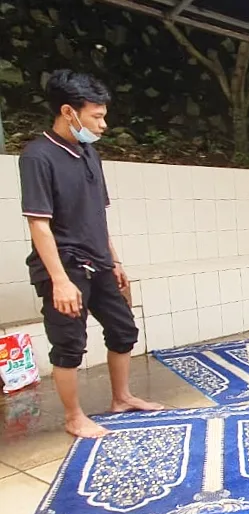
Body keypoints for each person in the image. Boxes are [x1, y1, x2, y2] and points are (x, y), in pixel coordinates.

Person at [19, 70, 162, 439]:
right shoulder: (38, 156)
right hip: (64, 266)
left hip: (98, 260)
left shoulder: (89, 154)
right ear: (69, 111)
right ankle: (73, 417)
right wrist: (60, 281)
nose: (103, 124)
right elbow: (38, 224)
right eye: (96, 116)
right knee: (69, 344)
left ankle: (122, 397)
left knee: (123, 329)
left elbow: (98, 214)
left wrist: (114, 260)